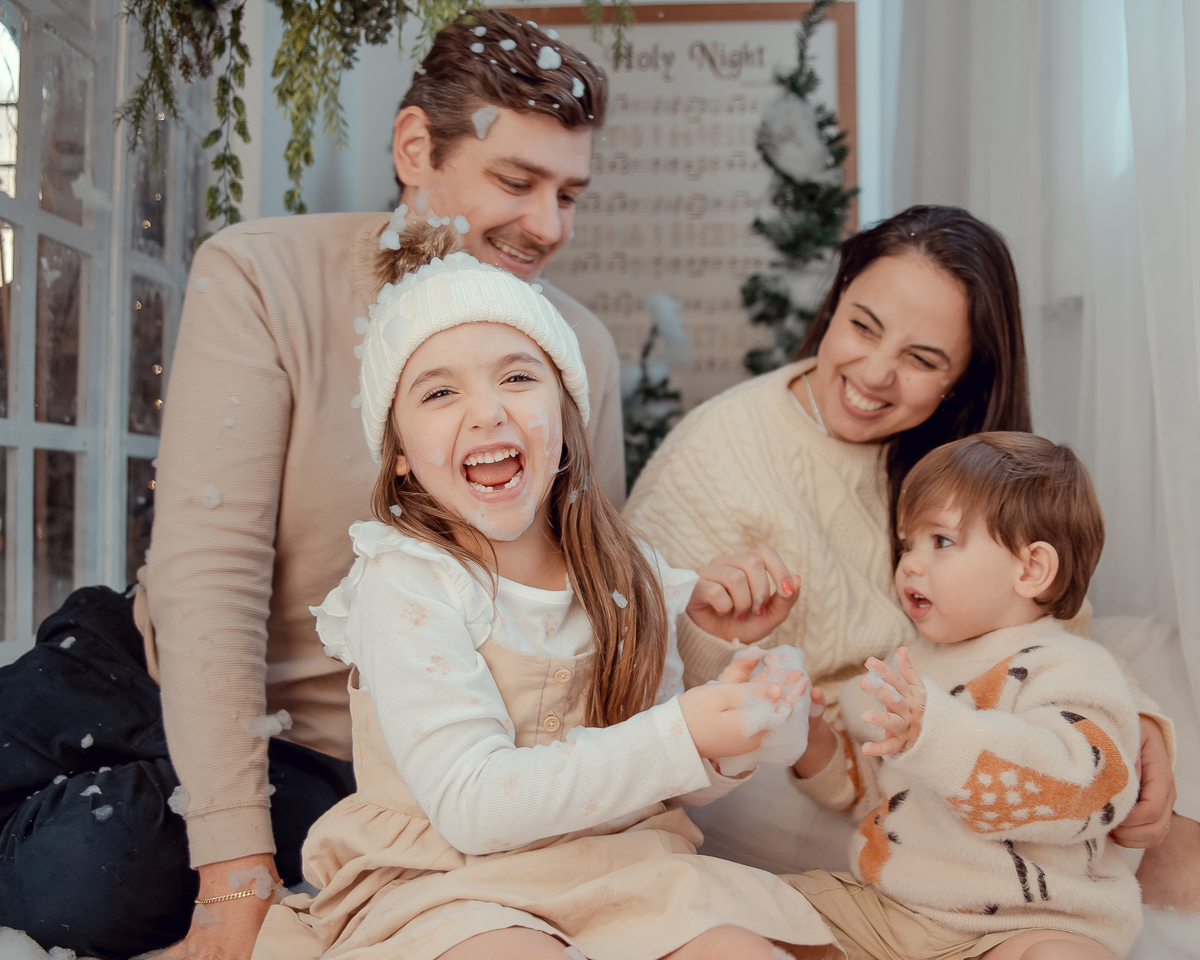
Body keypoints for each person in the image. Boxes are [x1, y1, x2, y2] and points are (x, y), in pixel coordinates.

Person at [0, 12, 627, 960]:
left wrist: (235, 849)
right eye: (517, 181)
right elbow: (210, 577)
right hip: (157, 662)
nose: (547, 225)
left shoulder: (576, 349)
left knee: (87, 873)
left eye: (569, 193)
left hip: (342, 756)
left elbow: (588, 597)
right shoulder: (262, 274)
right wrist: (233, 871)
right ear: (416, 147)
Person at [251, 223, 842, 960]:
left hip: (619, 865)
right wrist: (685, 734)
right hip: (446, 881)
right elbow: (472, 805)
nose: (488, 411)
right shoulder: (407, 583)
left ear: (564, 416)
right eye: (439, 391)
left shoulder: (626, 569)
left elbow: (674, 775)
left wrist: (752, 721)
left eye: (518, 377)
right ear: (400, 452)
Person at [623, 205, 1184, 897]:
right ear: (836, 302)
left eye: (922, 360)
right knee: (1075, 848)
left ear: (965, 378)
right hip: (821, 762)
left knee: (1127, 806)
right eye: (862, 325)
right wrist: (709, 631)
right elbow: (634, 686)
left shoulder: (963, 451)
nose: (876, 373)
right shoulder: (717, 454)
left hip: (965, 718)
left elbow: (1049, 623)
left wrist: (1140, 721)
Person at [786, 432, 1145, 960]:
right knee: (750, 903)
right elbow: (876, 793)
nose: (909, 562)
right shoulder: (908, 664)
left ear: (1031, 570)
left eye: (942, 541)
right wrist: (812, 738)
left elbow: (1086, 789)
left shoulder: (1072, 666)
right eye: (907, 543)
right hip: (892, 913)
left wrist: (936, 734)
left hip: (1028, 925)